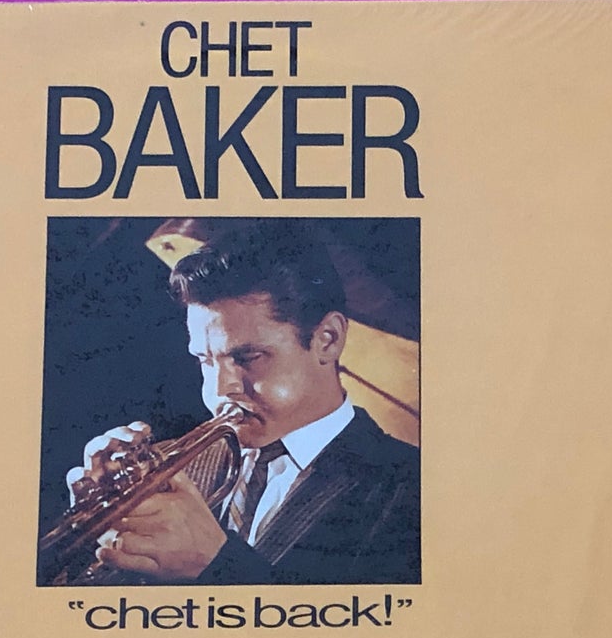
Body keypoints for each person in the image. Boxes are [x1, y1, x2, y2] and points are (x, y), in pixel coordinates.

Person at [72, 223, 420, 586]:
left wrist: (217, 566)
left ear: (328, 340)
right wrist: (93, 528)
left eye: (247, 357)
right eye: (205, 361)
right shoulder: (171, 472)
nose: (220, 390)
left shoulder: (412, 489)